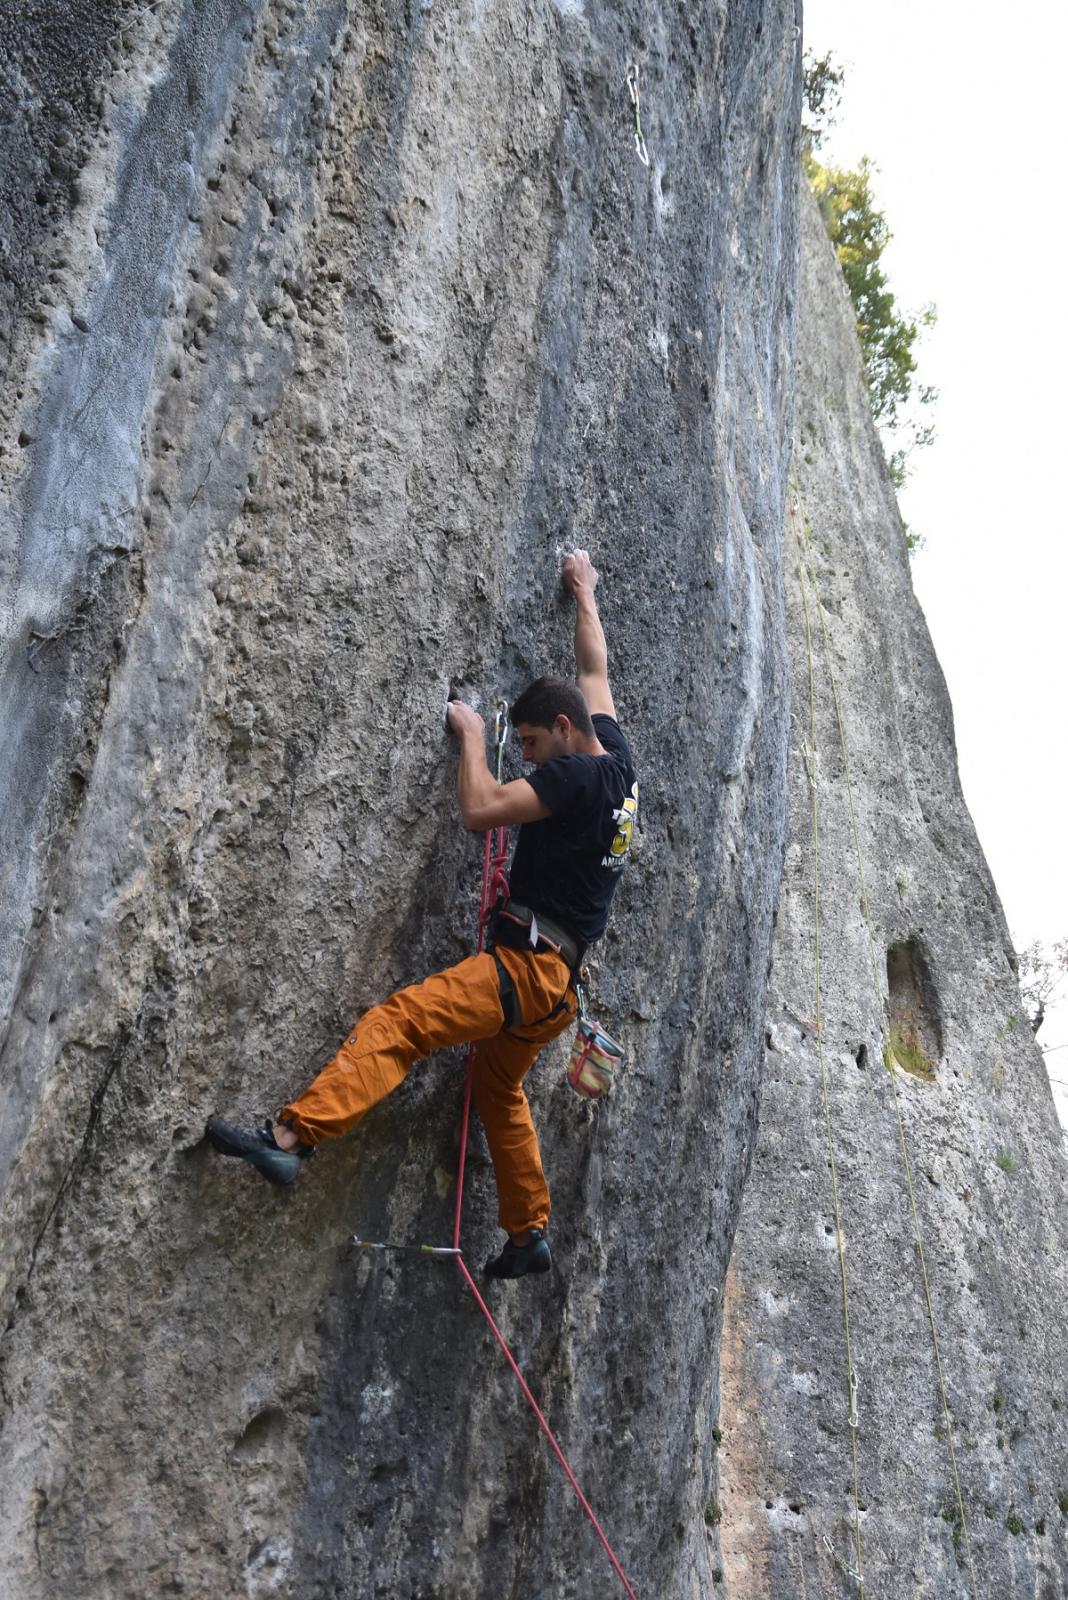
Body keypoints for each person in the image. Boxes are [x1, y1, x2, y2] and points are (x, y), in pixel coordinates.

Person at [205, 550, 638, 1279]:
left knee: (402, 1024)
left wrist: (473, 735)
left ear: (562, 732)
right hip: (558, 991)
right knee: (498, 1088)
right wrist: (584, 588)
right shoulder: (619, 763)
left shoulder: (575, 776)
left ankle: (290, 1136)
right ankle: (529, 1232)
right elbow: (595, 669)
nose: (526, 759)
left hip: (523, 968)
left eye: (529, 745)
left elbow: (479, 810)